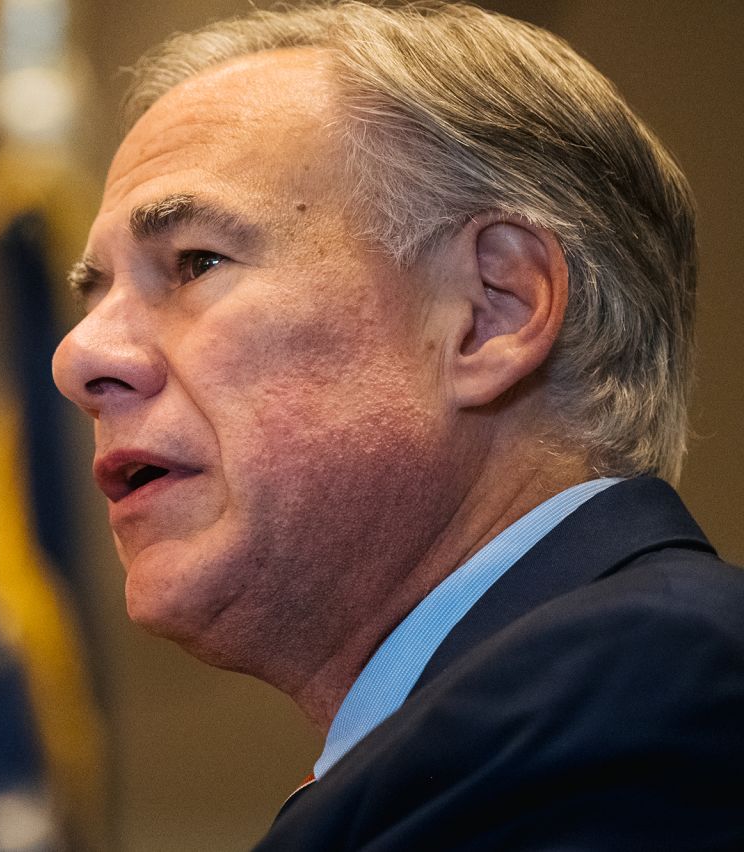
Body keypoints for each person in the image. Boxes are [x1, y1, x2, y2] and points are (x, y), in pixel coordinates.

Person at [50, 2, 744, 849]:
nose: (79, 356)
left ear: (492, 311)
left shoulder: (638, 688)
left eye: (196, 263)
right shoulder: (510, 729)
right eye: (95, 292)